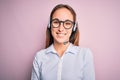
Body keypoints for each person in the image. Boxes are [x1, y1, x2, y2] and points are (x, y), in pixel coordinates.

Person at [31, 4, 95, 80]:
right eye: (56, 22)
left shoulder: (84, 55)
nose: (61, 29)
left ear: (74, 27)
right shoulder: (39, 57)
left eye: (67, 23)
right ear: (49, 25)